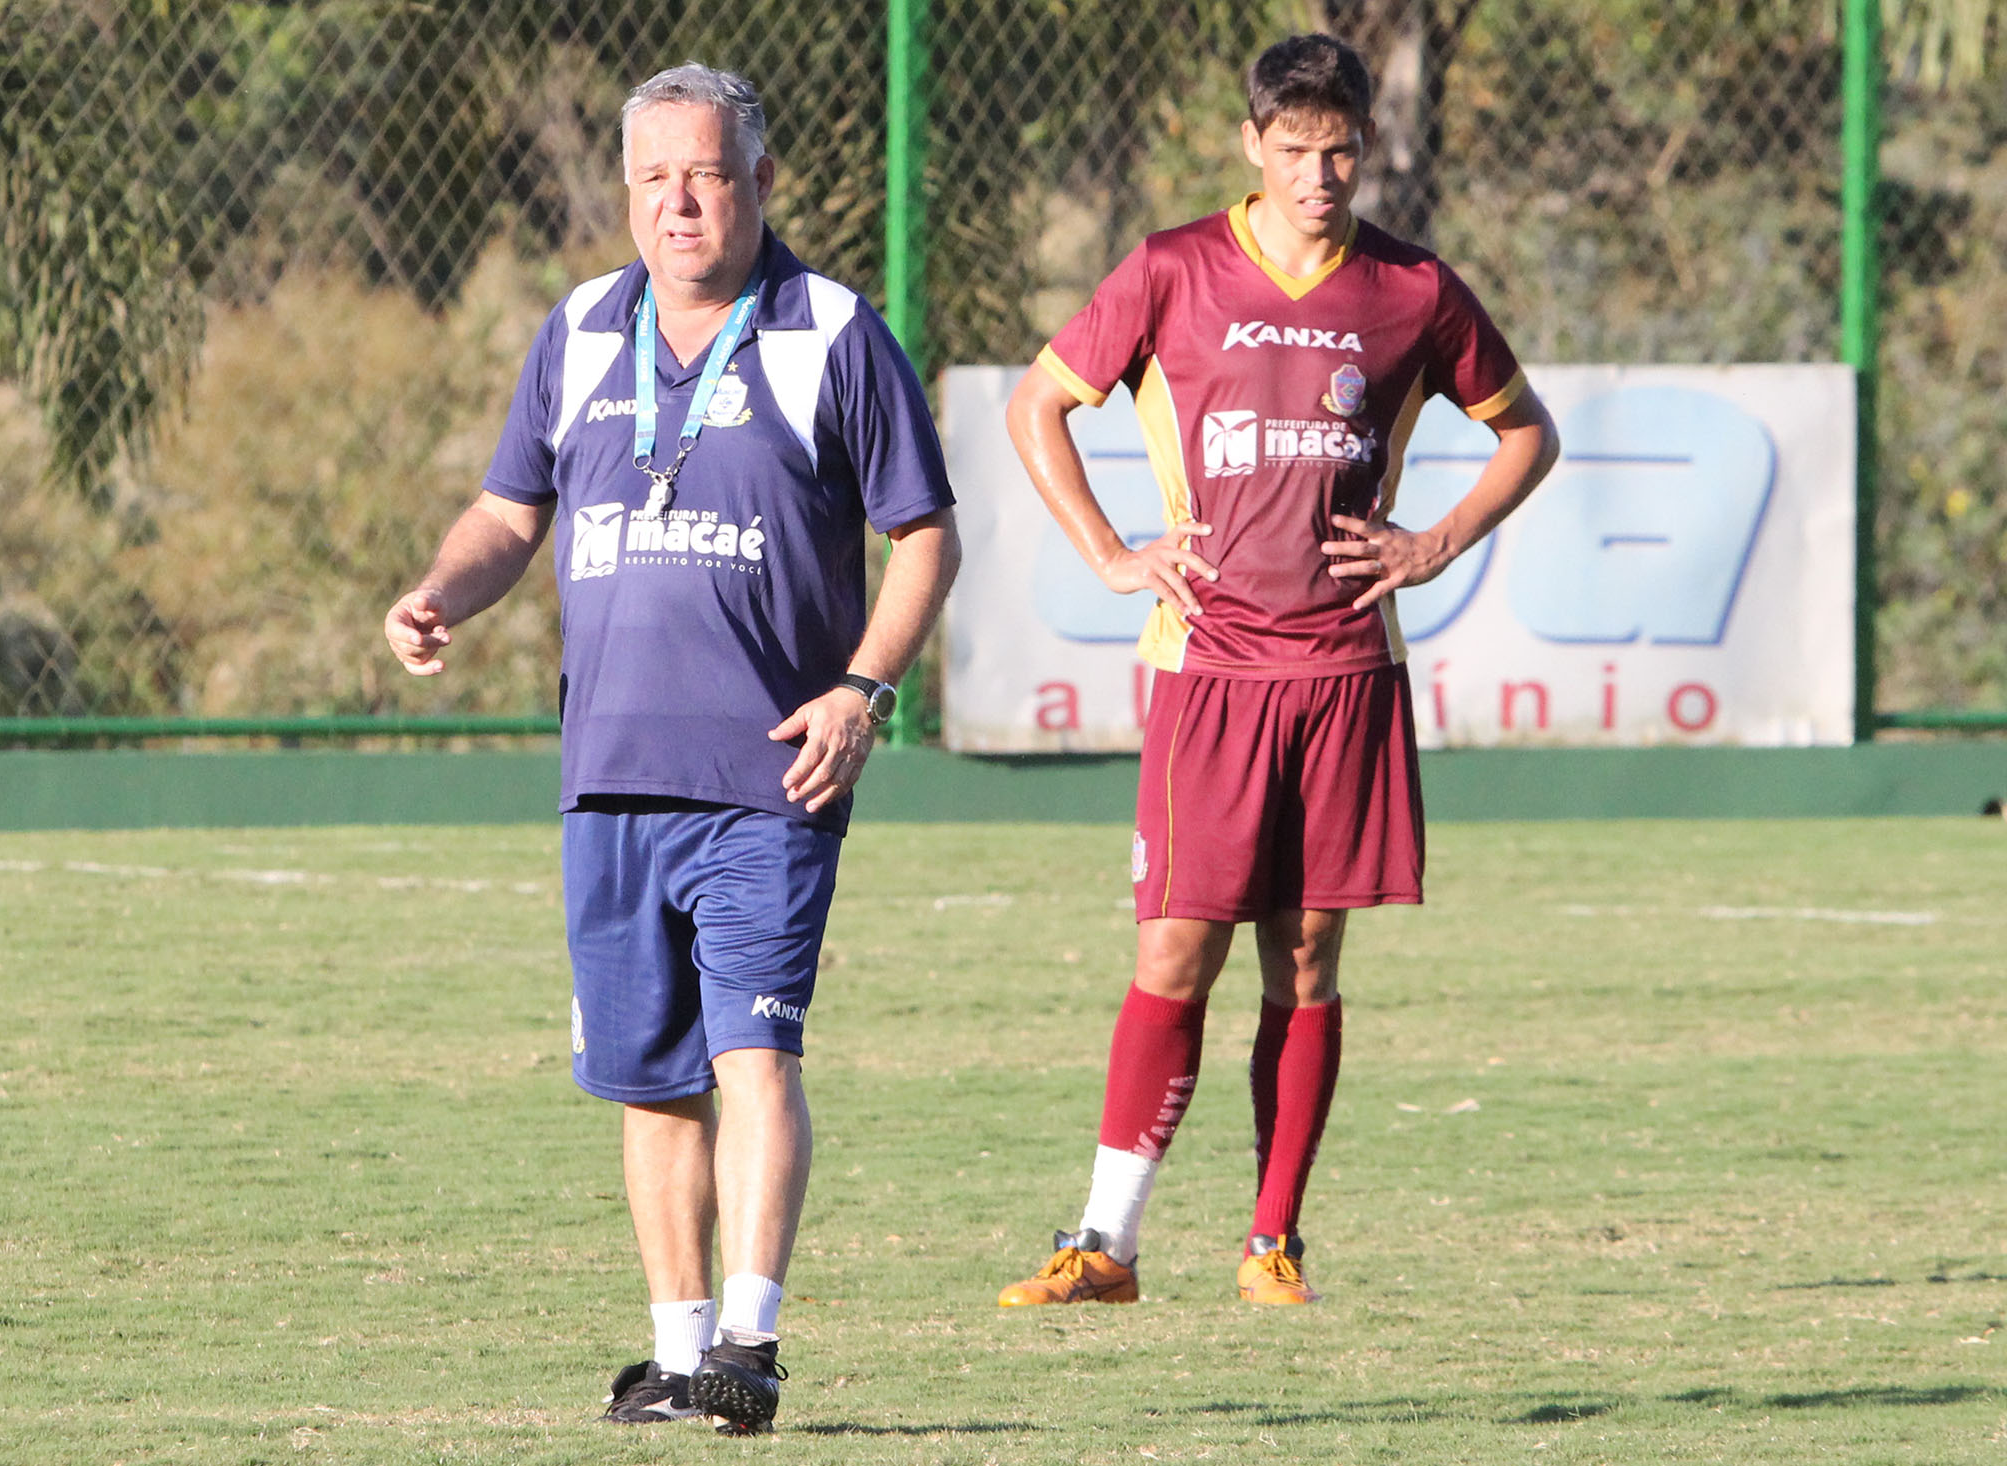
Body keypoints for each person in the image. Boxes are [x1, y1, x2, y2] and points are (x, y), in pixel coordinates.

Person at [383, 63, 959, 1432]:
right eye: (653, 178)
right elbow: (509, 512)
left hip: (768, 772)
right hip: (608, 777)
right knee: (648, 1075)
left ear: (759, 181)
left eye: (704, 173)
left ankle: (749, 1346)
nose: (679, 200)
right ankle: (674, 1348)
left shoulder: (832, 333)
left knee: (753, 1052)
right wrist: (439, 590)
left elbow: (924, 534)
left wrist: (862, 690)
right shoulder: (581, 329)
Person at [997, 33, 1557, 1309]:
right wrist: (1106, 552)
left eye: (1340, 149)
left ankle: (1271, 1241)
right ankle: (1106, 1242)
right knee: (1173, 952)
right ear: (1252, 144)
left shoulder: (1413, 289)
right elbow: (1037, 405)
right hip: (1207, 666)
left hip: (1348, 665)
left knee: (1306, 960)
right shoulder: (1172, 268)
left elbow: (1528, 433)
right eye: (1295, 149)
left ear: (1364, 146)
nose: (1319, 173)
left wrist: (1432, 541)